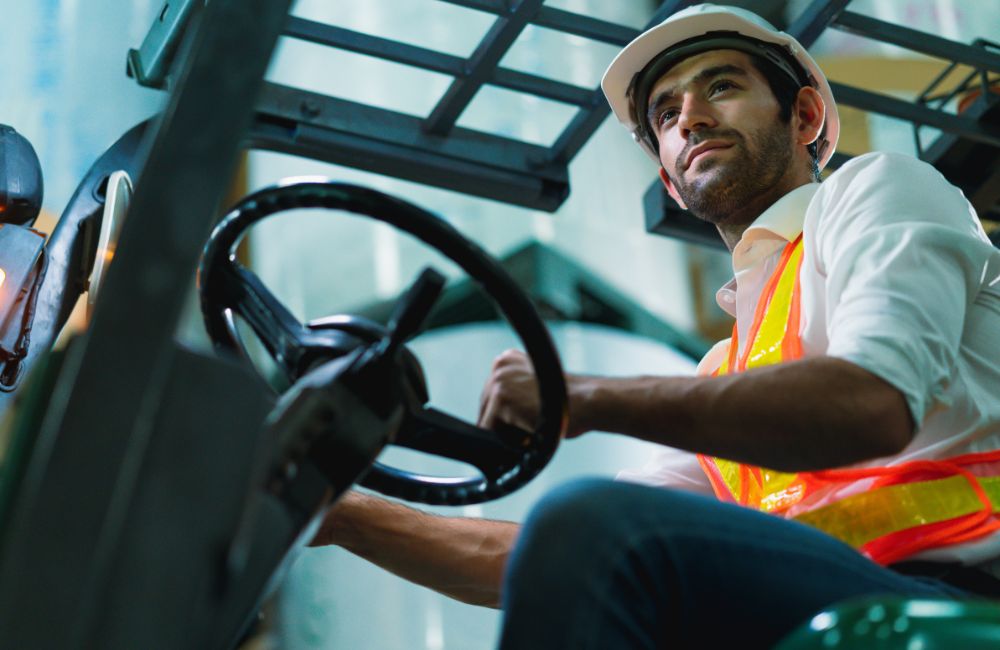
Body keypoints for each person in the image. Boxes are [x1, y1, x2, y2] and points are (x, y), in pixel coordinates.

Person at [312, 4, 1000, 647]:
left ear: (807, 116)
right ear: (670, 183)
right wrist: (340, 513)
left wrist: (582, 398)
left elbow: (873, 402)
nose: (690, 119)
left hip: (962, 597)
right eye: (666, 116)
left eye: (720, 86)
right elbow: (542, 557)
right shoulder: (725, 373)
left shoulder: (876, 191)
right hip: (821, 610)